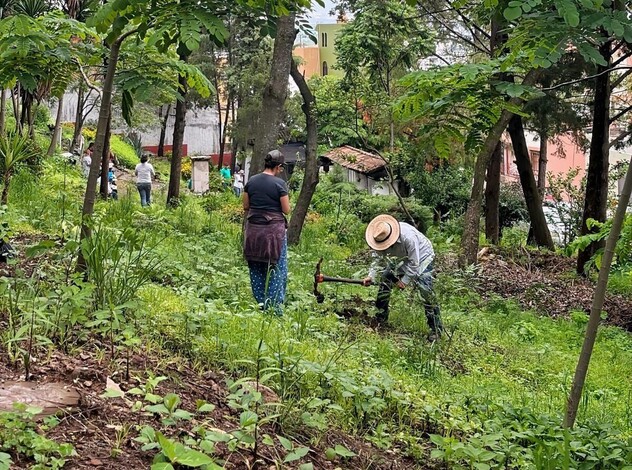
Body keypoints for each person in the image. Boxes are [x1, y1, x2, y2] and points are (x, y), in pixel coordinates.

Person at [362, 214, 443, 340]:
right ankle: (380, 318)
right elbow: (377, 259)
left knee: (425, 290)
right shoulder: (378, 237)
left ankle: (436, 329)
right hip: (399, 259)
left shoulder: (408, 237)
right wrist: (370, 276)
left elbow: (414, 263)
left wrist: (404, 281)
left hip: (422, 257)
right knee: (386, 278)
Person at [243, 150, 290, 314]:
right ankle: (274, 309)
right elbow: (286, 209)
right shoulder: (279, 184)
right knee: (276, 269)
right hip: (273, 234)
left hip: (253, 232)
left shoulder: (252, 181)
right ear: (279, 166)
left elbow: (246, 206)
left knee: (256, 267)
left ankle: (261, 305)